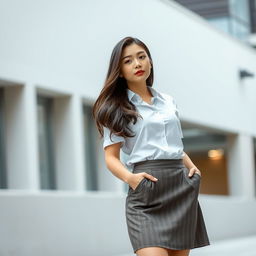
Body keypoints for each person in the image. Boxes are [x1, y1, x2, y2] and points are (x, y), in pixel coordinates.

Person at [92, 36, 210, 256]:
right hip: (146, 191)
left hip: (180, 187)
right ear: (119, 70)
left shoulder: (168, 101)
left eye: (141, 57)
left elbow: (175, 145)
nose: (137, 63)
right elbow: (111, 158)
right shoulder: (114, 108)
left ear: (150, 62)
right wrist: (131, 179)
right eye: (128, 61)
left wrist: (192, 167)